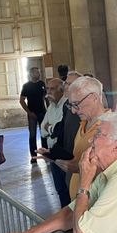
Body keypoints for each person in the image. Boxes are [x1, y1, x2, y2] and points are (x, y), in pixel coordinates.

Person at [54, 77, 109, 201]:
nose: (73, 111)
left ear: (94, 97)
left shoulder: (110, 127)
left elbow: (110, 169)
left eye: (76, 104)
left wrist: (78, 168)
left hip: (95, 201)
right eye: (71, 105)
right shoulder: (83, 123)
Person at [38, 72, 83, 208]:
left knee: (74, 192)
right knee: (61, 190)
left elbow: (57, 130)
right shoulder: (56, 106)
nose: (65, 87)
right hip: (56, 153)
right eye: (47, 89)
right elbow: (43, 128)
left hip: (71, 156)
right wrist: (51, 151)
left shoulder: (70, 106)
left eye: (68, 84)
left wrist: (50, 128)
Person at [20, 67, 47, 164]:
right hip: (32, 114)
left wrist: (48, 110)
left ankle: (45, 153)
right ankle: (34, 156)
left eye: (39, 72)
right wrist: (29, 112)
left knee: (44, 134)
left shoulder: (42, 84)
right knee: (32, 135)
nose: (38, 74)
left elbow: (46, 98)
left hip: (42, 112)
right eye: (36, 72)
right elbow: (21, 100)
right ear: (31, 74)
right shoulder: (26, 86)